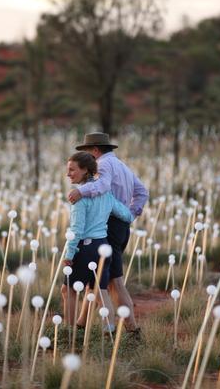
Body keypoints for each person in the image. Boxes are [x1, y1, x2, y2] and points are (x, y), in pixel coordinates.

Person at [68, 132, 149, 334]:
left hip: (108, 227)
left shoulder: (103, 165)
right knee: (97, 278)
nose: (88, 157)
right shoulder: (121, 165)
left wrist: (81, 191)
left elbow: (103, 186)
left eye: (88, 151)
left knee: (114, 281)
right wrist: (130, 214)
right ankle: (81, 324)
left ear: (95, 150)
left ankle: (132, 329)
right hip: (119, 224)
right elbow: (143, 192)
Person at [62, 151, 133, 332]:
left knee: (67, 290)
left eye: (72, 170)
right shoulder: (106, 194)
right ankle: (108, 332)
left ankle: (68, 333)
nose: (68, 174)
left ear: (85, 170)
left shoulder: (79, 198)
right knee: (100, 292)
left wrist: (69, 254)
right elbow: (125, 215)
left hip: (86, 249)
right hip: (104, 246)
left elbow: (76, 230)